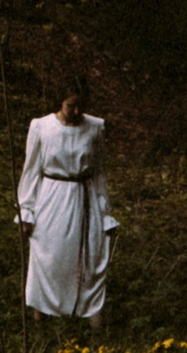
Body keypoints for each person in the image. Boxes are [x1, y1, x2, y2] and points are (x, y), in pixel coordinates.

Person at [17, 81, 116, 328]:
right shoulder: (42, 127)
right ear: (60, 102)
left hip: (85, 199)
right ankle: (40, 325)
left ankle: (96, 328)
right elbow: (31, 171)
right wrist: (26, 211)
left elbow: (99, 173)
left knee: (91, 260)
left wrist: (105, 214)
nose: (75, 112)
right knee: (48, 258)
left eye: (80, 106)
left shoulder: (94, 128)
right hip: (52, 199)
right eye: (70, 106)